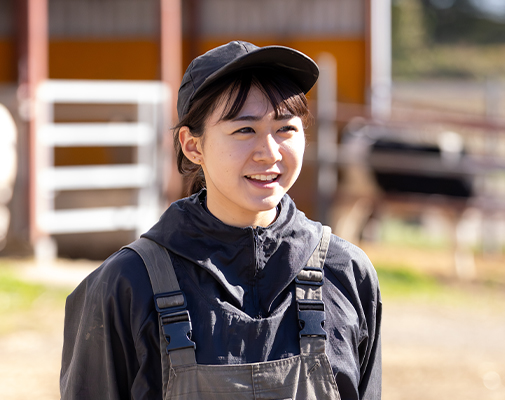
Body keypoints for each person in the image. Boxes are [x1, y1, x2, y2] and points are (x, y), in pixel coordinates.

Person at [60, 41, 382, 400]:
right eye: (245, 130)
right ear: (192, 146)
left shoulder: (347, 273)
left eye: (286, 129)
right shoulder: (126, 285)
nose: (270, 152)